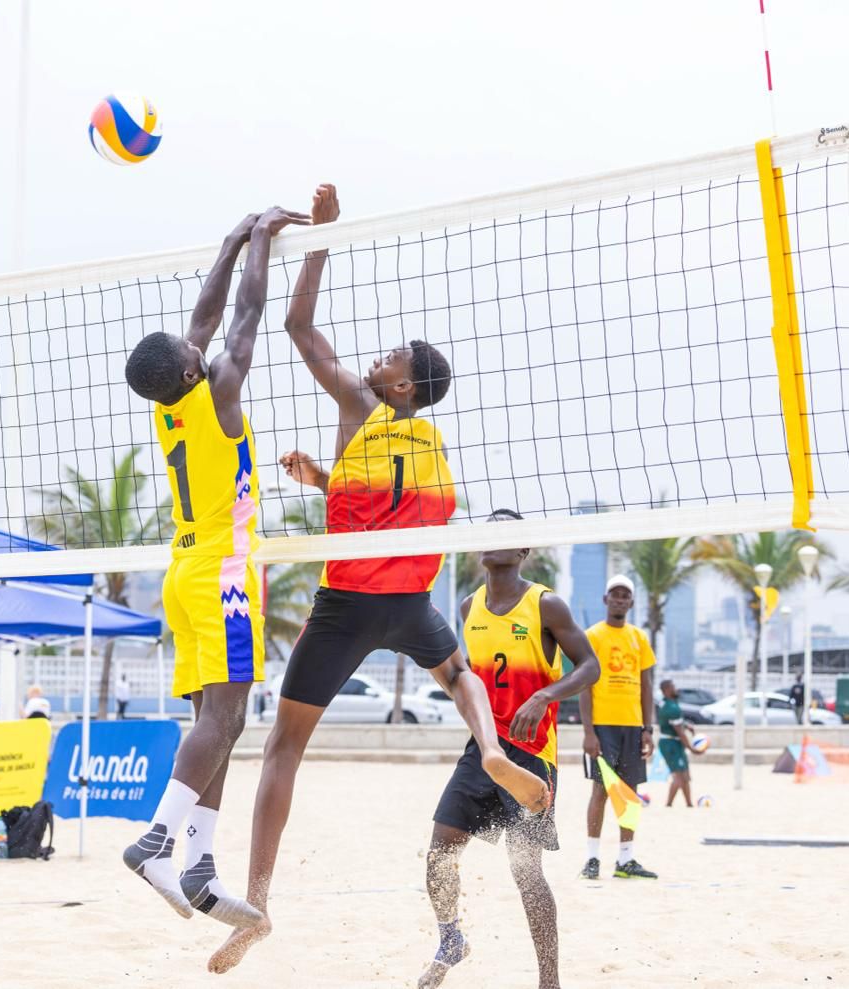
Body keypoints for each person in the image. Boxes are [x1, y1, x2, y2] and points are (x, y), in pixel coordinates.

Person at [210, 186, 549, 974]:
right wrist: (323, 476)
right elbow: (384, 506)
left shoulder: (361, 401)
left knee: (282, 751)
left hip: (347, 606)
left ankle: (257, 903)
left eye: (393, 355)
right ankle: (492, 746)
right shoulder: (424, 439)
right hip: (409, 602)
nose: (380, 355)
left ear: (400, 386)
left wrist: (326, 236)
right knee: (459, 671)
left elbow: (298, 326)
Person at [122, 206, 310, 929]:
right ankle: (157, 841)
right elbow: (246, 314)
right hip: (226, 572)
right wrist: (259, 241)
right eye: (191, 347)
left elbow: (201, 323)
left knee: (215, 721)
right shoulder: (221, 391)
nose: (196, 343)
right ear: (193, 366)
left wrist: (230, 240)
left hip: (186, 568)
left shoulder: (172, 402)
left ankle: (199, 865)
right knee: (227, 716)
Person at [418, 511, 600, 989]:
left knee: (525, 870)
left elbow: (590, 665)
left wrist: (544, 696)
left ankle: (549, 980)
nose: (493, 540)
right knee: (439, 853)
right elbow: (465, 682)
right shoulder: (467, 607)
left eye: (507, 533)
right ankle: (451, 937)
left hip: (531, 756)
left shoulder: (547, 605)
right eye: (488, 531)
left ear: (523, 552)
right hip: (483, 750)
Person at [577, 575, 658, 881]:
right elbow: (584, 685)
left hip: (632, 727)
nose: (620, 599)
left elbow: (646, 685)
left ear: (631, 603)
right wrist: (588, 731)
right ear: (605, 599)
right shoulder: (592, 636)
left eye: (625, 596)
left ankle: (625, 860)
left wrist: (647, 728)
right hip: (603, 726)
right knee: (600, 790)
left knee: (629, 793)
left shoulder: (639, 637)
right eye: (615, 595)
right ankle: (593, 858)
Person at [656, 680, 695, 808]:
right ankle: (668, 804)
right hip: (670, 744)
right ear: (666, 690)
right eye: (673, 687)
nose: (676, 689)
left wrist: (686, 725)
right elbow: (680, 733)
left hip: (674, 743)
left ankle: (689, 804)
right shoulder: (671, 708)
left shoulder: (669, 704)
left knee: (685, 775)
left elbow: (676, 724)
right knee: (678, 775)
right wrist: (692, 748)